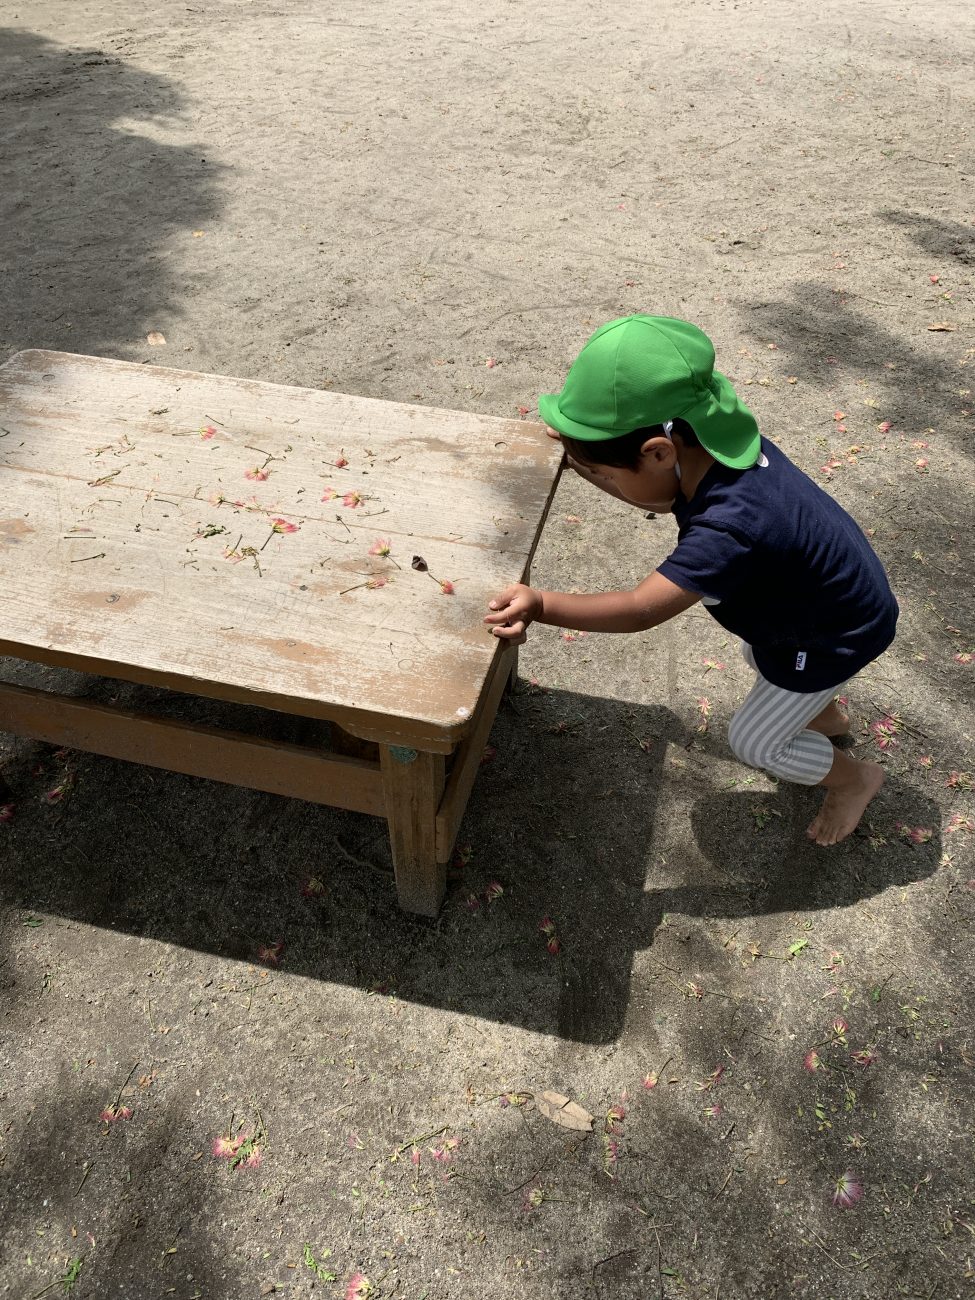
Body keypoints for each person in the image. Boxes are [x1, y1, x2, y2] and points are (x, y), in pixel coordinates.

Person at [484, 314, 898, 846]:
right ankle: (823, 715)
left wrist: (541, 604)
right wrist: (584, 457)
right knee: (759, 656)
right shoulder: (713, 440)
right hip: (816, 607)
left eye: (607, 473)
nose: (603, 481)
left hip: (831, 635)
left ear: (659, 452)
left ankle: (854, 779)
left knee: (756, 743)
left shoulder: (731, 528)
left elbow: (641, 608)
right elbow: (659, 494)